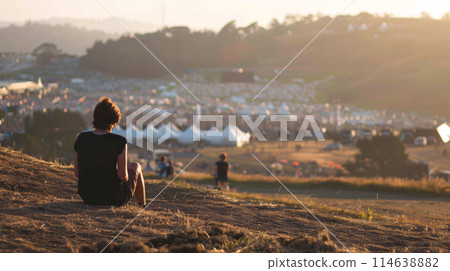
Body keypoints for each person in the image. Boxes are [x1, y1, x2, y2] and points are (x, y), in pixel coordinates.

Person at [73, 97, 146, 207]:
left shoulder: (81, 138)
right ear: (115, 121)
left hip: (88, 196)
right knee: (136, 166)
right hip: (113, 198)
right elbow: (122, 176)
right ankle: (142, 204)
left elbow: (77, 173)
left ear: (95, 117)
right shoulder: (119, 141)